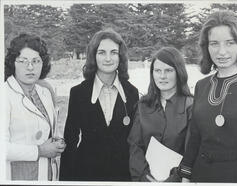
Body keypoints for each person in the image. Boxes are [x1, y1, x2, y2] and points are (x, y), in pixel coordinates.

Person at [178, 10, 237, 183]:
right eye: (214, 44)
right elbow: (194, 138)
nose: (222, 52)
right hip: (200, 176)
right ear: (206, 47)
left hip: (236, 178)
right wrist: (186, 176)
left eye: (229, 43)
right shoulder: (201, 86)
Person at [59, 28, 139, 181]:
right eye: (102, 52)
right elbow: (70, 140)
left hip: (122, 176)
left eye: (113, 52)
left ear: (120, 56)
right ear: (93, 56)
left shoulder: (132, 93)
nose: (108, 58)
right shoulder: (78, 92)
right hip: (86, 174)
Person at [5, 33, 66, 180]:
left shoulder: (45, 93)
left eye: (36, 61)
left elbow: (51, 130)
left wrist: (58, 141)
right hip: (16, 177)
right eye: (23, 61)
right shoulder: (4, 95)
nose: (30, 67)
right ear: (13, 63)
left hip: (47, 175)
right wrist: (40, 151)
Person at [128, 46, 193, 182]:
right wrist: (145, 178)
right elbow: (135, 147)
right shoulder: (143, 105)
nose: (162, 76)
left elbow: (191, 152)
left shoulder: (191, 106)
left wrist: (173, 180)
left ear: (179, 72)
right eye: (157, 71)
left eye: (168, 70)